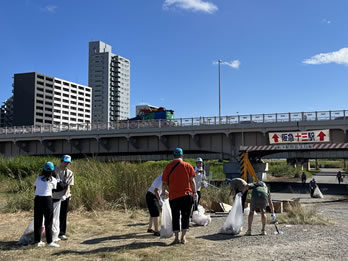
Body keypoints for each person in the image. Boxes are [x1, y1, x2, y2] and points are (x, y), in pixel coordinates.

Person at [162, 148, 197, 245]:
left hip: (173, 197)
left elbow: (164, 183)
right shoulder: (188, 166)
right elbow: (192, 181)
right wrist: (194, 192)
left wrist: (164, 192)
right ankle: (183, 238)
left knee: (175, 216)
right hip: (186, 195)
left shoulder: (168, 167)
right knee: (185, 216)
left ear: (173, 156)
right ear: (182, 156)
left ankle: (176, 238)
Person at [33, 162, 59, 247]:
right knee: (48, 221)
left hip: (37, 199)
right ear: (52, 171)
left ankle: (37, 241)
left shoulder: (38, 178)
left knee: (38, 221)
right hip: (47, 200)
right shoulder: (54, 180)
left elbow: (35, 188)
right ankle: (49, 242)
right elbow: (53, 191)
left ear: (43, 169)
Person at [52, 155, 74, 241]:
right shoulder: (54, 170)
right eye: (65, 162)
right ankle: (52, 233)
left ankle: (61, 233)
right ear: (61, 161)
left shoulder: (69, 173)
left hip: (64, 197)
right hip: (54, 196)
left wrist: (65, 195)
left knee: (63, 215)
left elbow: (68, 186)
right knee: (51, 215)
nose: (66, 164)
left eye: (68, 163)